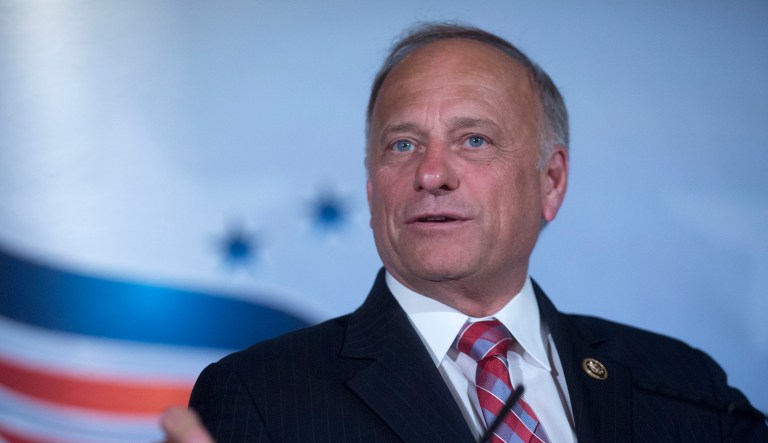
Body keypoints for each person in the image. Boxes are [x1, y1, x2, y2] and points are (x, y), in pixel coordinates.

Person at [163, 23, 768, 442]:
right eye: (402, 145)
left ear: (550, 182)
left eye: (474, 140)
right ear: (373, 189)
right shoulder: (260, 396)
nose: (430, 173)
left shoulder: (680, 382)